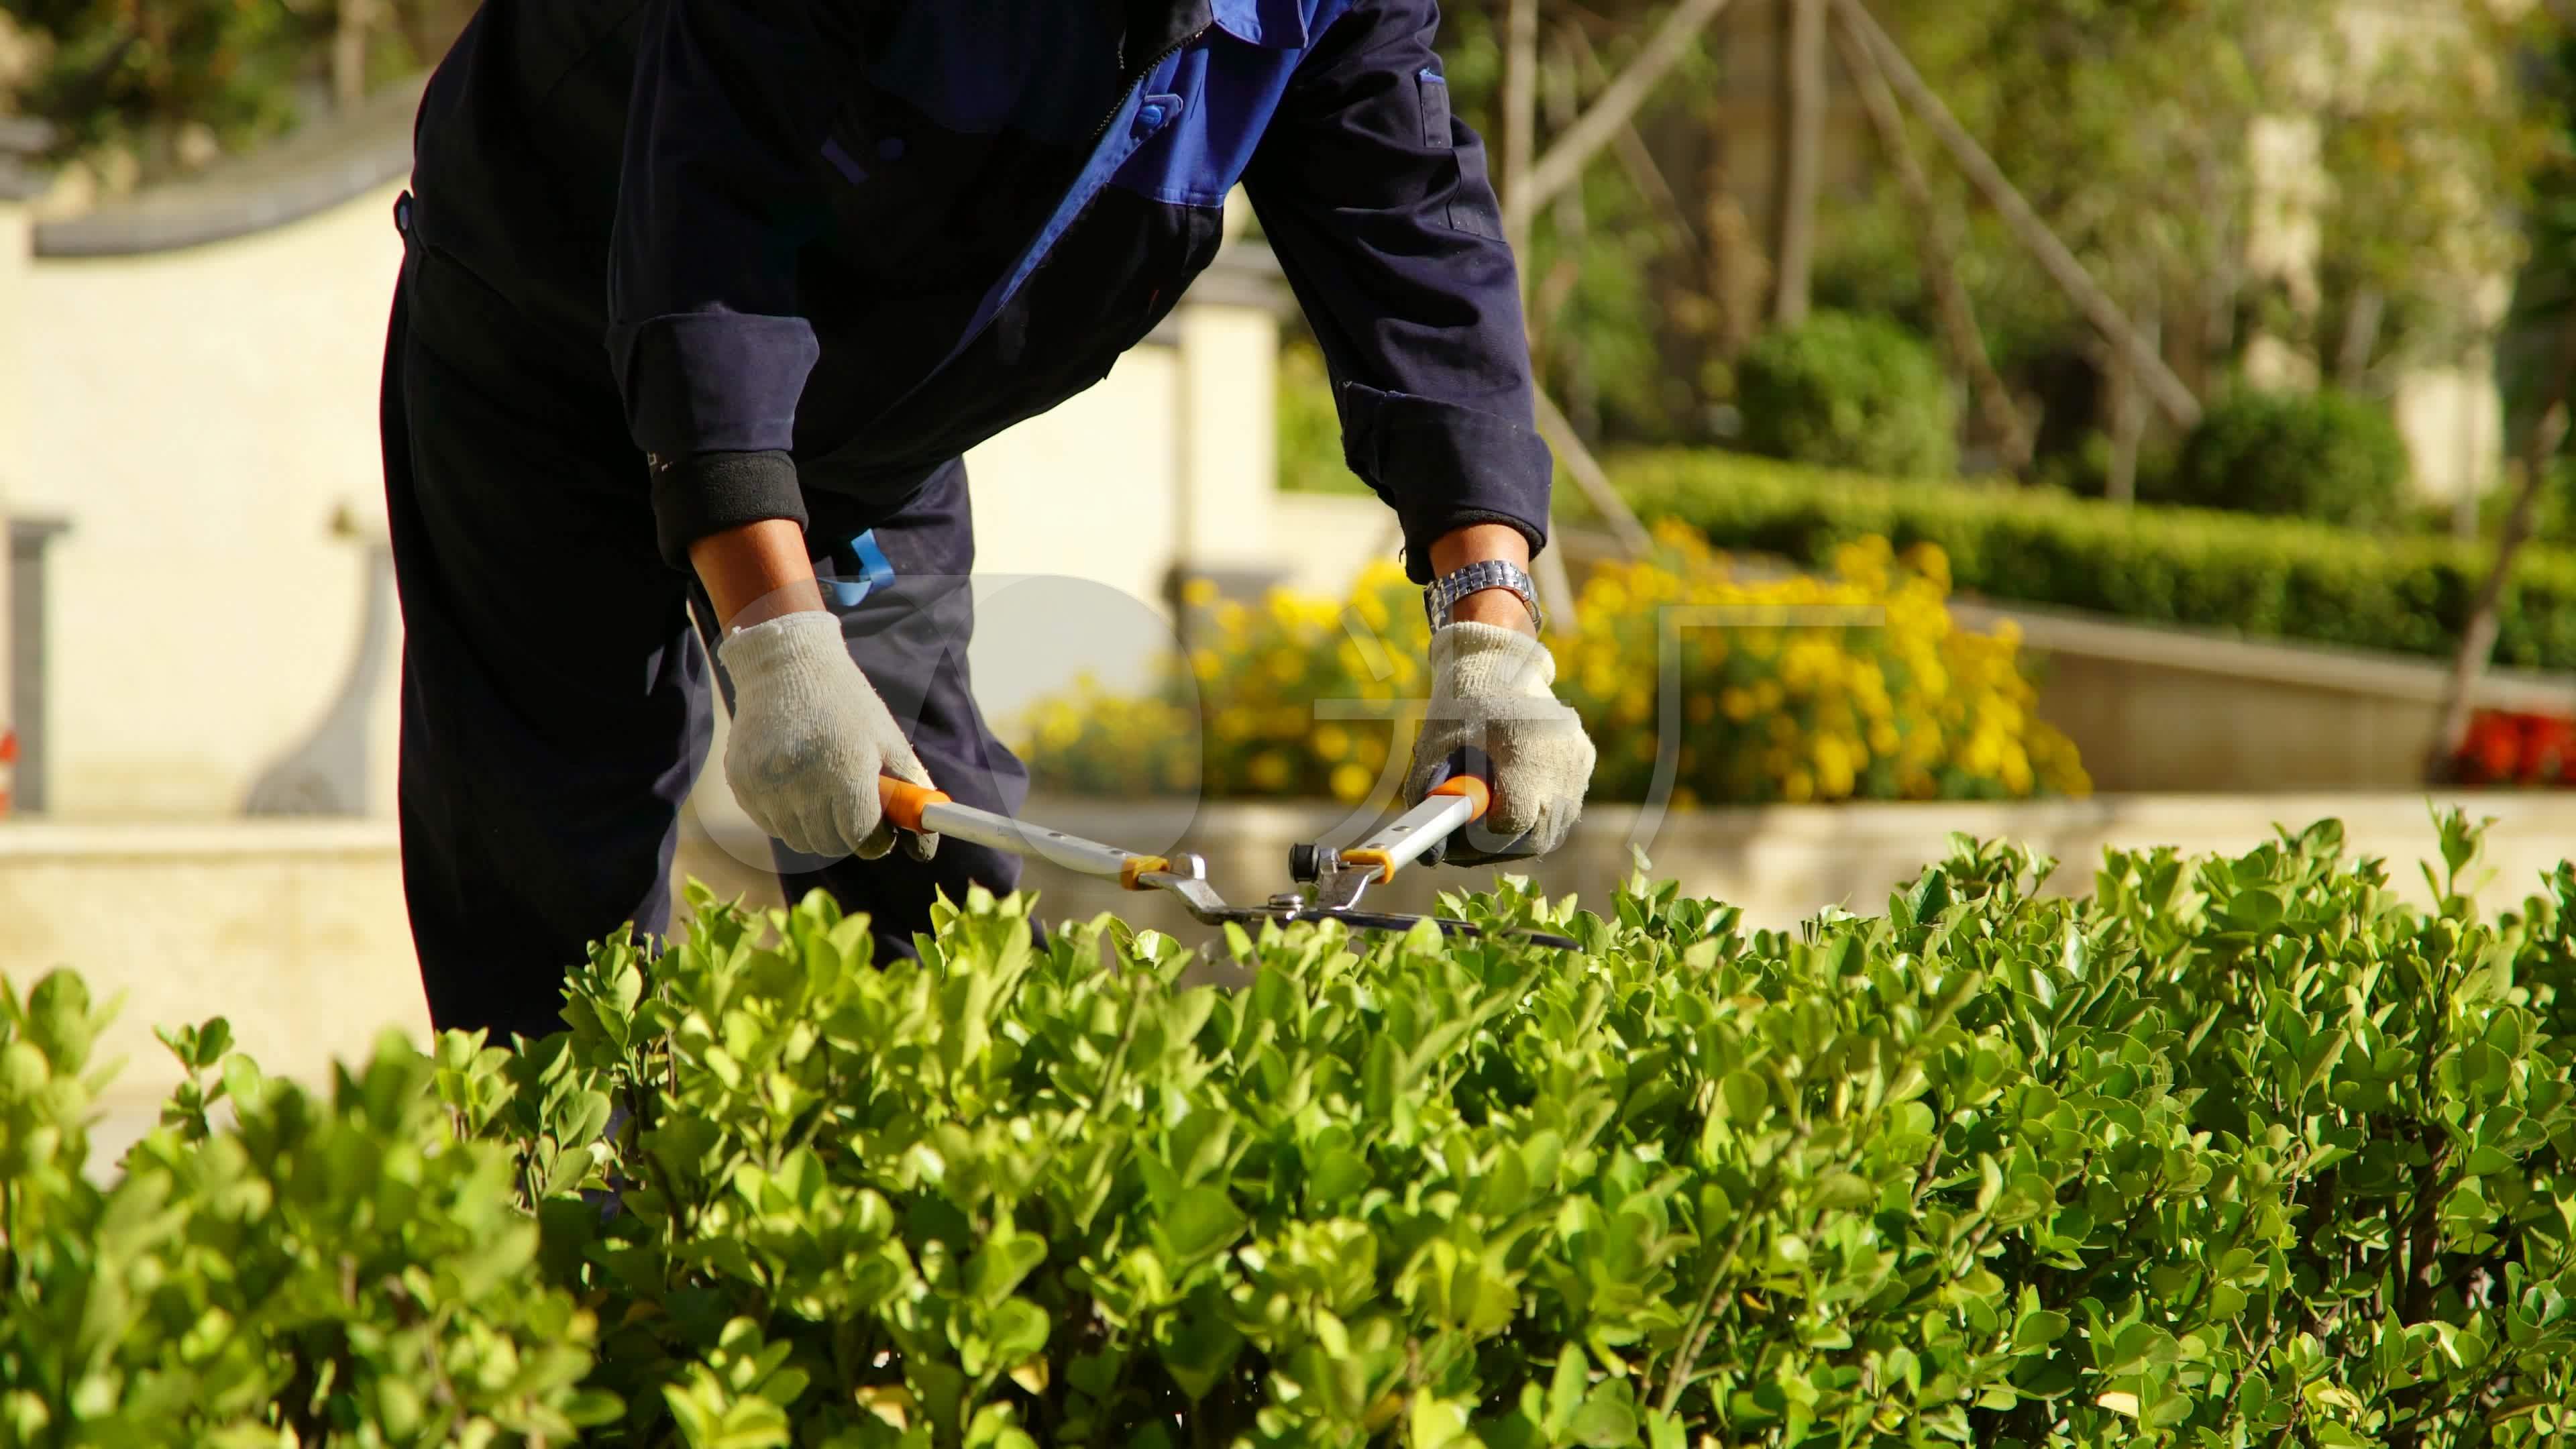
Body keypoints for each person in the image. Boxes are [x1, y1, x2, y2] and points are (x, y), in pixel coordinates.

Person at [384, 0, 1600, 1045]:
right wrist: (776, 636)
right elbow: (707, 240)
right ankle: (566, 1274)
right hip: (544, 355)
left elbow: (1416, 248)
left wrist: (1490, 632)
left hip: (862, 425)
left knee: (932, 902)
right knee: (556, 927)